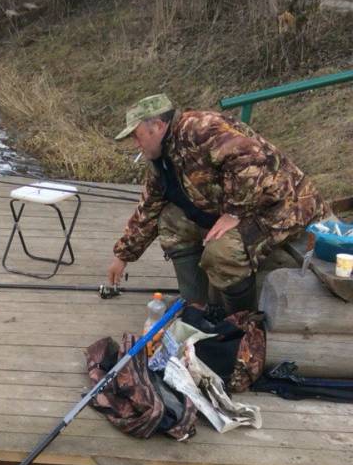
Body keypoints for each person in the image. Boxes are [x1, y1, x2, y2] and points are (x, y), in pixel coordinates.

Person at [107, 94, 331, 313]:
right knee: (171, 219)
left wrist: (234, 212)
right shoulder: (162, 157)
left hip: (282, 207)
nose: (136, 144)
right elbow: (149, 207)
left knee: (222, 252)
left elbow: (250, 157)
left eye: (137, 136)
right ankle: (196, 305)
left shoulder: (200, 128)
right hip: (243, 208)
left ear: (157, 126)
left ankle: (240, 322)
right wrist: (123, 256)